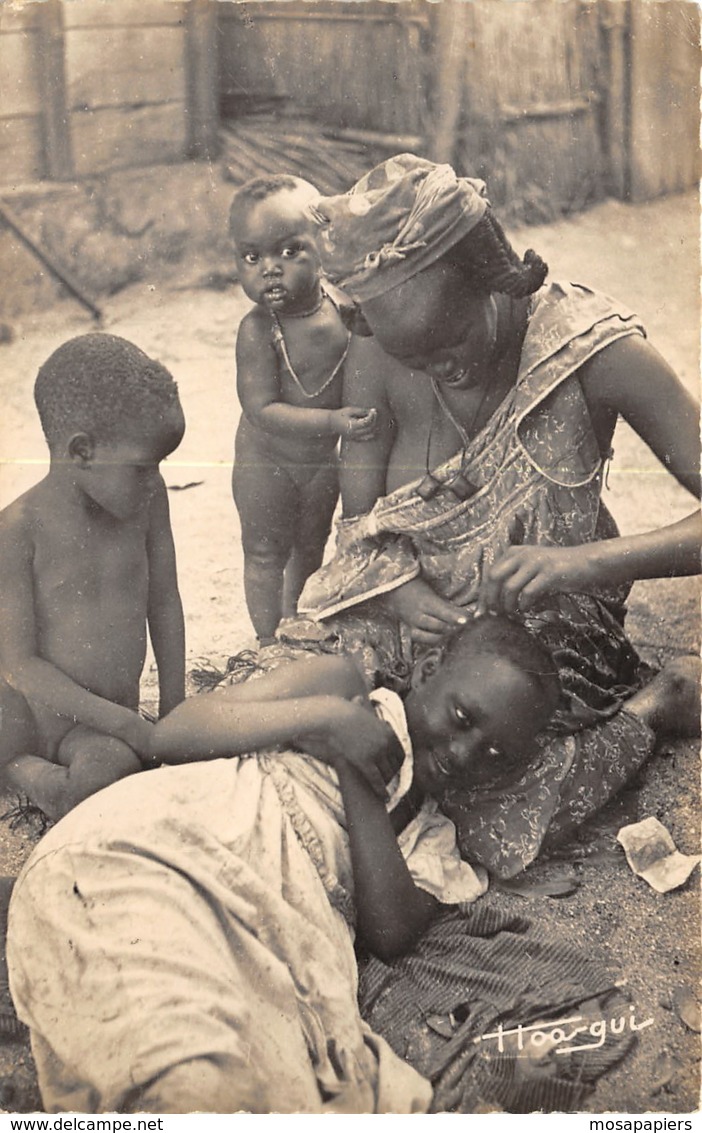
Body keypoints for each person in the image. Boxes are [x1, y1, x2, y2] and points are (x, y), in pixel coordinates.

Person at [298, 153, 701, 877]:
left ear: (496, 281)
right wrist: (399, 591)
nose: (438, 369)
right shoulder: (378, 354)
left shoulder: (591, 352)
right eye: (414, 358)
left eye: (452, 342)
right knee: (300, 714)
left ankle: (649, 711)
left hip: (537, 647)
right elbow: (355, 526)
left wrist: (581, 563)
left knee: (478, 801)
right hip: (406, 621)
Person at [7, 616, 560, 1113]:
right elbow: (170, 736)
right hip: (168, 847)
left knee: (239, 1076)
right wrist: (323, 720)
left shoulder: (431, 837)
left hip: (263, 928)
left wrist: (354, 772)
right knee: (173, 1047)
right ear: (429, 669)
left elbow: (390, 931)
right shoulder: (340, 688)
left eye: (496, 756)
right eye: (463, 717)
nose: (465, 753)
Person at [0, 332, 186, 820]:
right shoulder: (18, 529)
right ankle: (25, 771)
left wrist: (173, 707)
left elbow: (164, 600)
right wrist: (128, 725)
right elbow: (20, 666)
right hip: (33, 714)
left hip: (94, 726)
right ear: (82, 450)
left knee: (109, 768)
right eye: (143, 468)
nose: (154, 481)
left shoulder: (147, 501)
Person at [229, 174, 378, 646]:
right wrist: (333, 422)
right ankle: (266, 641)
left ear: (323, 248)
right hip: (266, 460)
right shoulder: (258, 330)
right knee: (265, 551)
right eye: (253, 257)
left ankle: (296, 622)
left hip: (319, 462)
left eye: (289, 252)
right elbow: (261, 410)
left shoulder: (341, 305)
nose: (270, 269)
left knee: (310, 546)